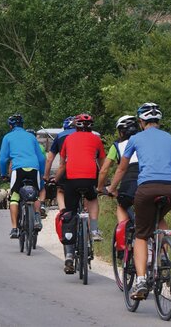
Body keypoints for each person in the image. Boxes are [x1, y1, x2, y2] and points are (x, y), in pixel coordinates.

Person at [108, 103, 171, 301]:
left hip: (147, 188)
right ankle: (165, 257)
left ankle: (140, 280)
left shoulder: (135, 138)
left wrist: (112, 188)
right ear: (158, 121)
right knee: (160, 218)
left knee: (141, 233)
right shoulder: (170, 138)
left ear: (141, 122)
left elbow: (122, 169)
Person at [56, 113, 105, 273]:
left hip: (71, 180)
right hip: (90, 179)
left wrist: (56, 180)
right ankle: (94, 229)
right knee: (92, 198)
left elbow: (62, 164)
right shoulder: (97, 140)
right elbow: (102, 164)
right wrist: (103, 183)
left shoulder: (68, 139)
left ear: (75, 127)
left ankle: (69, 255)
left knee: (70, 214)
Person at [0, 113, 46, 239]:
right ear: (22, 125)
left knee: (14, 196)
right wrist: (40, 173)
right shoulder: (31, 137)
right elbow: (41, 158)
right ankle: (36, 218)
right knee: (35, 194)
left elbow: (3, 159)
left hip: (18, 169)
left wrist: (3, 174)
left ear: (10, 126)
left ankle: (14, 228)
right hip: (34, 168)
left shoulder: (8, 137)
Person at [97, 115, 141, 224]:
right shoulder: (146, 141)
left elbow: (104, 170)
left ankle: (123, 238)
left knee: (121, 206)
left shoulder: (117, 146)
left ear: (121, 132)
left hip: (130, 182)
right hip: (150, 181)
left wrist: (100, 188)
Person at [43, 116, 77, 210]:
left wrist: (46, 176)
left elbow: (50, 159)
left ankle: (63, 212)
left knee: (60, 190)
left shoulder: (60, 136)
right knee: (88, 194)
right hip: (86, 171)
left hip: (66, 169)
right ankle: (87, 214)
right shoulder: (84, 134)